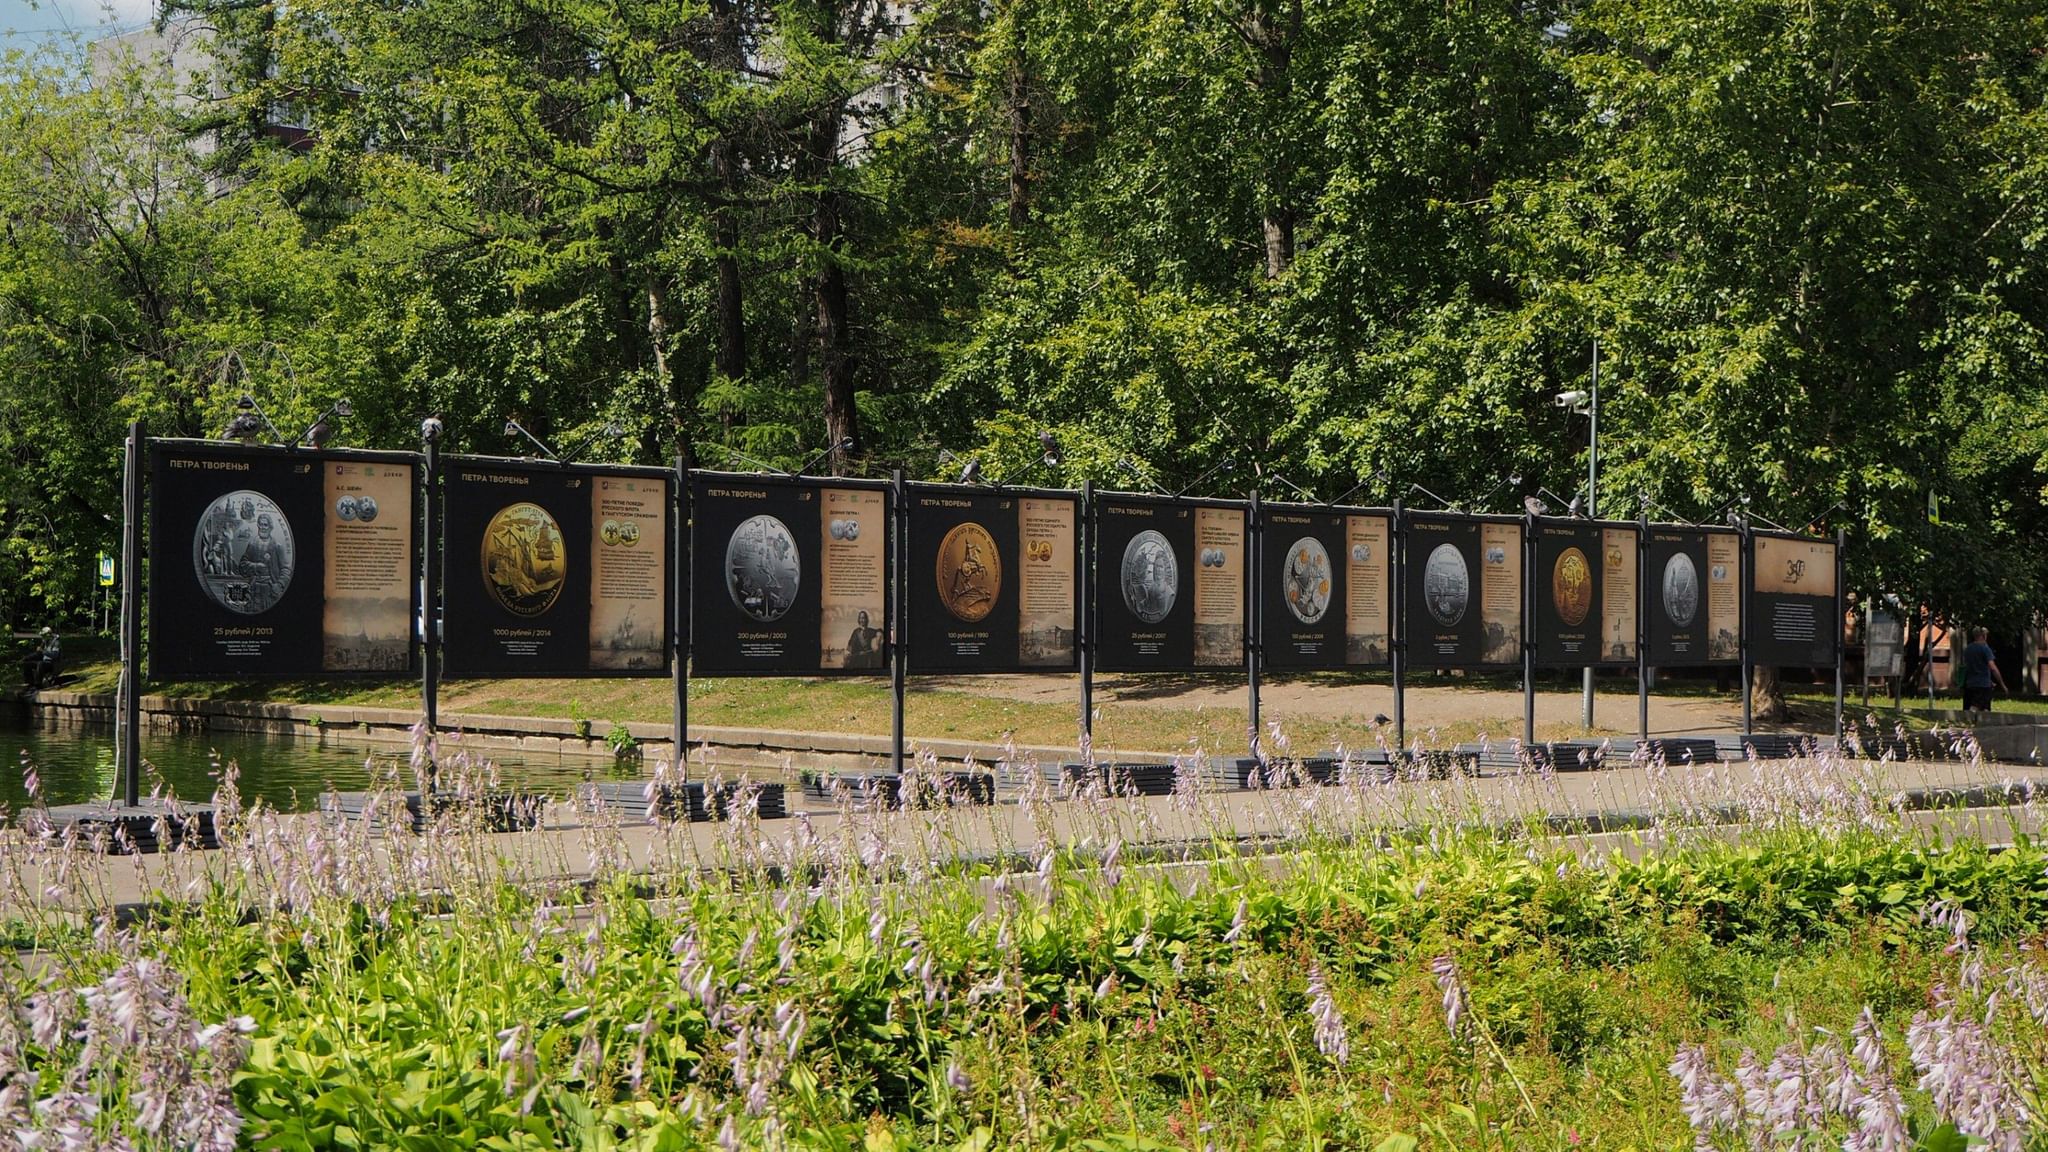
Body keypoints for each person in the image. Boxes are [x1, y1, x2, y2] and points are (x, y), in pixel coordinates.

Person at [1959, 626, 2007, 719]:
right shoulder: (1985, 649)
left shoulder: (1968, 649)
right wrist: (2002, 684)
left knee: (1973, 705)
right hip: (1983, 685)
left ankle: (1971, 724)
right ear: (1983, 636)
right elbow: (1993, 667)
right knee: (1980, 707)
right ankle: (1973, 723)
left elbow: (1969, 666)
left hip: (1970, 683)